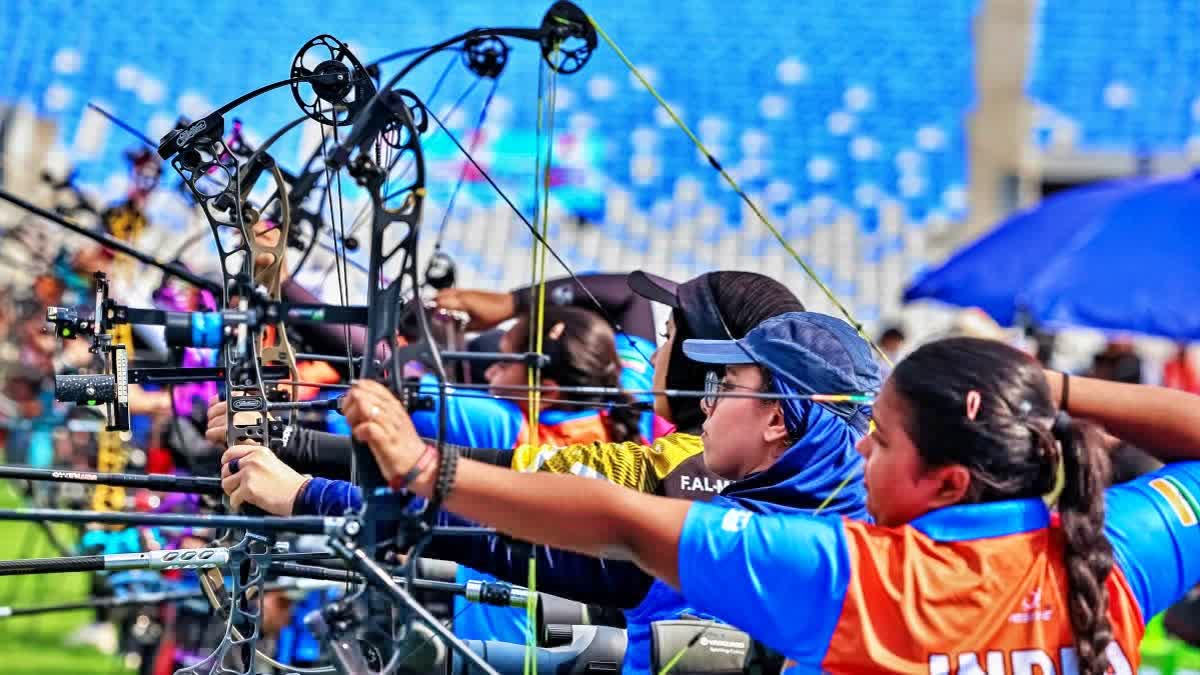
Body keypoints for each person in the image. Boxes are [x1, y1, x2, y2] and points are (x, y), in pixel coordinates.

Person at [294, 336, 1200, 674]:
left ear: (948, 484)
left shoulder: (862, 577)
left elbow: (614, 518)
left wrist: (422, 469)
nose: (862, 455)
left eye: (881, 443)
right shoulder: (1106, 554)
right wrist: (1056, 387)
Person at [220, 306, 880, 675]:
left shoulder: (782, 547)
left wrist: (310, 489)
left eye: (725, 385)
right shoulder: (830, 524)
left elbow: (535, 541)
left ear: (777, 417)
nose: (703, 402)